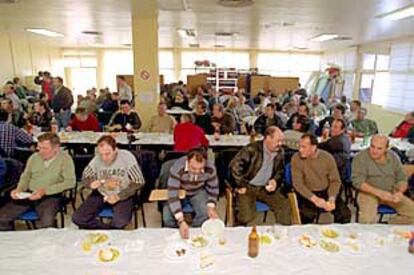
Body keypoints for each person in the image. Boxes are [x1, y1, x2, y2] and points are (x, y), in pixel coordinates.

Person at [0, 133, 75, 230]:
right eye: (39, 147)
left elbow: (70, 182)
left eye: (44, 148)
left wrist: (44, 191)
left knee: (46, 222)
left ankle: (46, 243)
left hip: (50, 195)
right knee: (2, 218)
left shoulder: (65, 159)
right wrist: (19, 190)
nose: (40, 151)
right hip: (29, 194)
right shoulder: (34, 157)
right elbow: (25, 177)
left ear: (56, 148)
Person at [72, 135, 145, 229]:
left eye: (107, 154)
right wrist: (90, 183)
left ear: (115, 150)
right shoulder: (97, 160)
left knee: (120, 222)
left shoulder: (127, 158)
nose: (104, 158)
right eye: (101, 154)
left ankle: (112, 230)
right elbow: (85, 177)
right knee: (78, 218)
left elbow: (139, 181)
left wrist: (119, 196)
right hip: (101, 193)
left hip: (122, 192)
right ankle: (108, 230)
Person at [230, 126, 291, 225]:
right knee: (246, 216)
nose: (280, 144)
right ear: (267, 138)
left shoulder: (280, 152)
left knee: (284, 205)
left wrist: (275, 181)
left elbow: (280, 171)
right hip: (248, 186)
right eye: (278, 140)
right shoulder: (251, 149)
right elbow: (234, 167)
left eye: (281, 141)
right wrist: (241, 185)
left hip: (265, 187)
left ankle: (281, 234)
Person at [352, 135, 414, 224]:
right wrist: (380, 193)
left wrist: (400, 192)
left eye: (379, 148)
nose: (374, 151)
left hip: (391, 192)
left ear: (386, 148)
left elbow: (402, 178)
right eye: (372, 146)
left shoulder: (393, 157)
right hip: (368, 193)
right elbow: (358, 182)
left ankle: (387, 226)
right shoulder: (360, 157)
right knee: (367, 219)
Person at [291, 134, 351, 224]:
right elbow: (298, 184)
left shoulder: (327, 158)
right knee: (307, 215)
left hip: (326, 190)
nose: (300, 150)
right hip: (307, 192)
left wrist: (331, 198)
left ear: (314, 147)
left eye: (304, 147)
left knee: (344, 214)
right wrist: (315, 199)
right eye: (299, 146)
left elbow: (335, 181)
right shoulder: (296, 158)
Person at [163, 148, 219, 239]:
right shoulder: (177, 168)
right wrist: (181, 221)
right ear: (187, 161)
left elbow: (213, 189)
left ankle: (193, 235)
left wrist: (210, 206)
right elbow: (173, 195)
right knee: (167, 218)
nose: (197, 172)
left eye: (201, 168)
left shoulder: (210, 168)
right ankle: (176, 236)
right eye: (194, 168)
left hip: (198, 190)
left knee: (204, 213)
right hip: (180, 191)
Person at [318, 119, 351, 183]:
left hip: (335, 173)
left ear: (342, 130)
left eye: (335, 127)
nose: (332, 129)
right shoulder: (345, 138)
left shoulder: (337, 142)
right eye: (332, 126)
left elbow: (319, 147)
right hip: (340, 170)